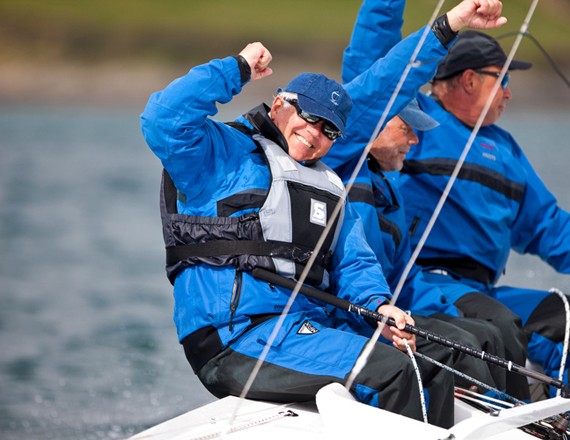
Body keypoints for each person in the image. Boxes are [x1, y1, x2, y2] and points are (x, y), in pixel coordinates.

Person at [139, 0, 507, 427]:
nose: (315, 133)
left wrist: (378, 306)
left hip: (301, 330)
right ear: (279, 104)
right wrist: (236, 68)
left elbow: (353, 260)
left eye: (329, 129)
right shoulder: (218, 156)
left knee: (433, 356)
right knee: (392, 373)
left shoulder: (329, 185)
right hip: (234, 337)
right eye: (309, 117)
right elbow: (162, 119)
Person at [374, 24, 570, 438]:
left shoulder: (506, 150)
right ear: (469, 80)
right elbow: (375, 68)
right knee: (498, 325)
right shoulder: (414, 122)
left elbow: (551, 229)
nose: (508, 92)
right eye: (501, 80)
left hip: (481, 290)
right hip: (422, 284)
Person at [323, 0, 527, 399]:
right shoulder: (340, 155)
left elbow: (402, 277)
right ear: (377, 120)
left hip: (389, 310)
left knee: (489, 333)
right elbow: (373, 59)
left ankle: (519, 418)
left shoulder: (389, 190)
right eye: (407, 128)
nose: (415, 140)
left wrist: (452, 312)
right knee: (474, 343)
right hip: (346, 318)